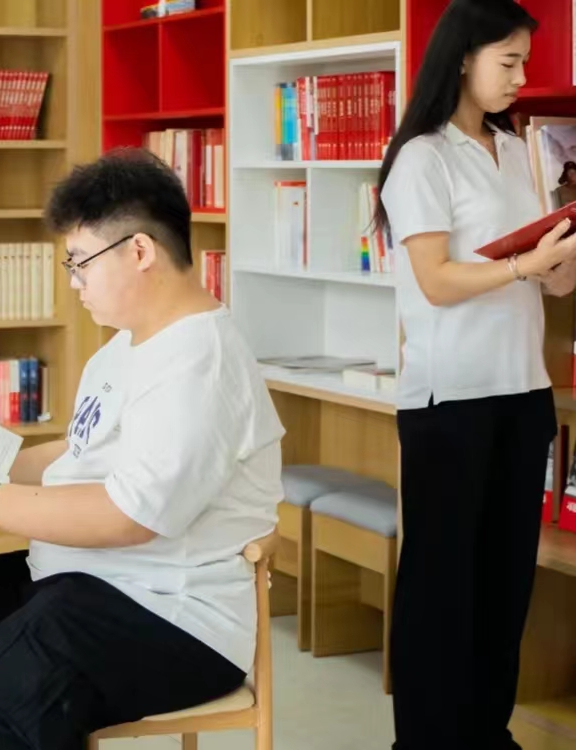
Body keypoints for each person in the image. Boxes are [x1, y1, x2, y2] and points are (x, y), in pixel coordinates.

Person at [0, 148, 284, 750]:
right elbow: (78, 453)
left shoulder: (199, 363)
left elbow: (129, 515)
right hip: (82, 578)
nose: (74, 281)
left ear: (139, 251)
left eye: (80, 262)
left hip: (170, 615)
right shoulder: (125, 346)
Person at [375, 2, 576, 747]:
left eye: (525, 62)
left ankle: (486, 734)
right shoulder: (421, 158)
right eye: (509, 61)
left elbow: (545, 282)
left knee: (504, 584)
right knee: (440, 587)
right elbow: (434, 280)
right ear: (462, 58)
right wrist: (522, 265)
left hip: (522, 393)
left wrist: (556, 267)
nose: (521, 77)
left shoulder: (517, 150)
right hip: (448, 400)